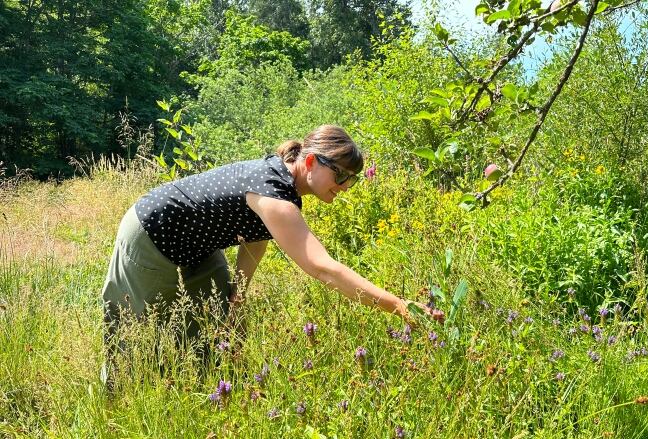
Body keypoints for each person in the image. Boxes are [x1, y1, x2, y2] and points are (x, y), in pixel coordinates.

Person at [101, 125, 443, 352]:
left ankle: (213, 396)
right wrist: (398, 305)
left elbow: (255, 236)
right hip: (153, 233)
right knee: (138, 334)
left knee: (220, 323)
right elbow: (324, 269)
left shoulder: (281, 185)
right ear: (310, 161)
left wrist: (238, 297)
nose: (343, 186)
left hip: (197, 242)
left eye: (351, 180)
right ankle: (118, 399)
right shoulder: (277, 197)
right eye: (339, 175)